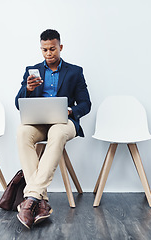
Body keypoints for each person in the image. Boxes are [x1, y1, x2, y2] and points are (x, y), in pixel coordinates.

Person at [15, 29, 91, 229]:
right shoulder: (32, 70)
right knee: (22, 132)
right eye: (44, 50)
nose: (49, 53)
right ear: (41, 49)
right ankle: (39, 200)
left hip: (64, 123)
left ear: (60, 47)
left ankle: (30, 197)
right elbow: (18, 103)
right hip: (39, 123)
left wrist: (70, 111)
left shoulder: (75, 71)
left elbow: (86, 104)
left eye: (52, 49)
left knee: (57, 132)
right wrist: (28, 90)